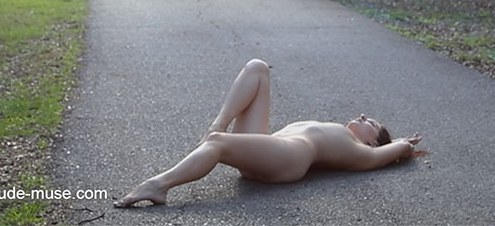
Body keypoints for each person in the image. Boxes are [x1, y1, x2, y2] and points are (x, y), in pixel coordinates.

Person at [113, 58, 422, 207]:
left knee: (218, 144)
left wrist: (401, 144)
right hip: (271, 148)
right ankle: (217, 125)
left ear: (373, 141)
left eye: (372, 123)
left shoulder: (362, 151)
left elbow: (396, 151)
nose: (364, 116)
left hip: (288, 159)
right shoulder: (341, 132)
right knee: (257, 67)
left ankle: (158, 185)